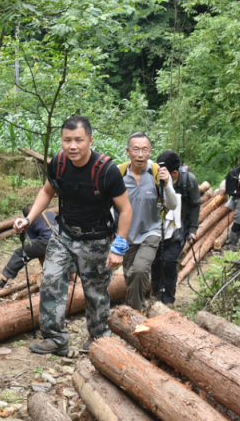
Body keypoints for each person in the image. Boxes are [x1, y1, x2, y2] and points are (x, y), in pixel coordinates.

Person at [13, 115, 132, 356]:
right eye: (67, 140)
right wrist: (29, 218)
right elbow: (47, 192)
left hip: (96, 239)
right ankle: (55, 339)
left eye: (79, 140)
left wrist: (118, 247)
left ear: (90, 140)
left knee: (95, 291)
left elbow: (126, 209)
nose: (72, 146)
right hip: (64, 234)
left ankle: (98, 338)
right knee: (50, 281)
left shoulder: (107, 170)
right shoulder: (59, 163)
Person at [119, 133, 177, 312]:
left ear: (150, 151)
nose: (140, 154)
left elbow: (173, 205)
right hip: (126, 233)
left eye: (145, 150)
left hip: (151, 231)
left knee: (139, 270)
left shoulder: (158, 173)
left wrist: (167, 184)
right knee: (129, 274)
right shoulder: (119, 173)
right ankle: (134, 308)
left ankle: (136, 311)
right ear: (128, 151)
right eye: (136, 149)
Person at [151, 151, 200, 304]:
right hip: (157, 228)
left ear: (174, 172)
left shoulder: (188, 181)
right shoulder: (153, 178)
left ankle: (168, 298)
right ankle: (155, 290)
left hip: (179, 228)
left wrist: (192, 229)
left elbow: (195, 204)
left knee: (170, 263)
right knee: (155, 262)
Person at [0, 205, 57, 291]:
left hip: (47, 240)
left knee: (20, 253)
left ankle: (1, 283)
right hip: (63, 238)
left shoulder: (29, 221)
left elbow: (35, 248)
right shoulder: (52, 214)